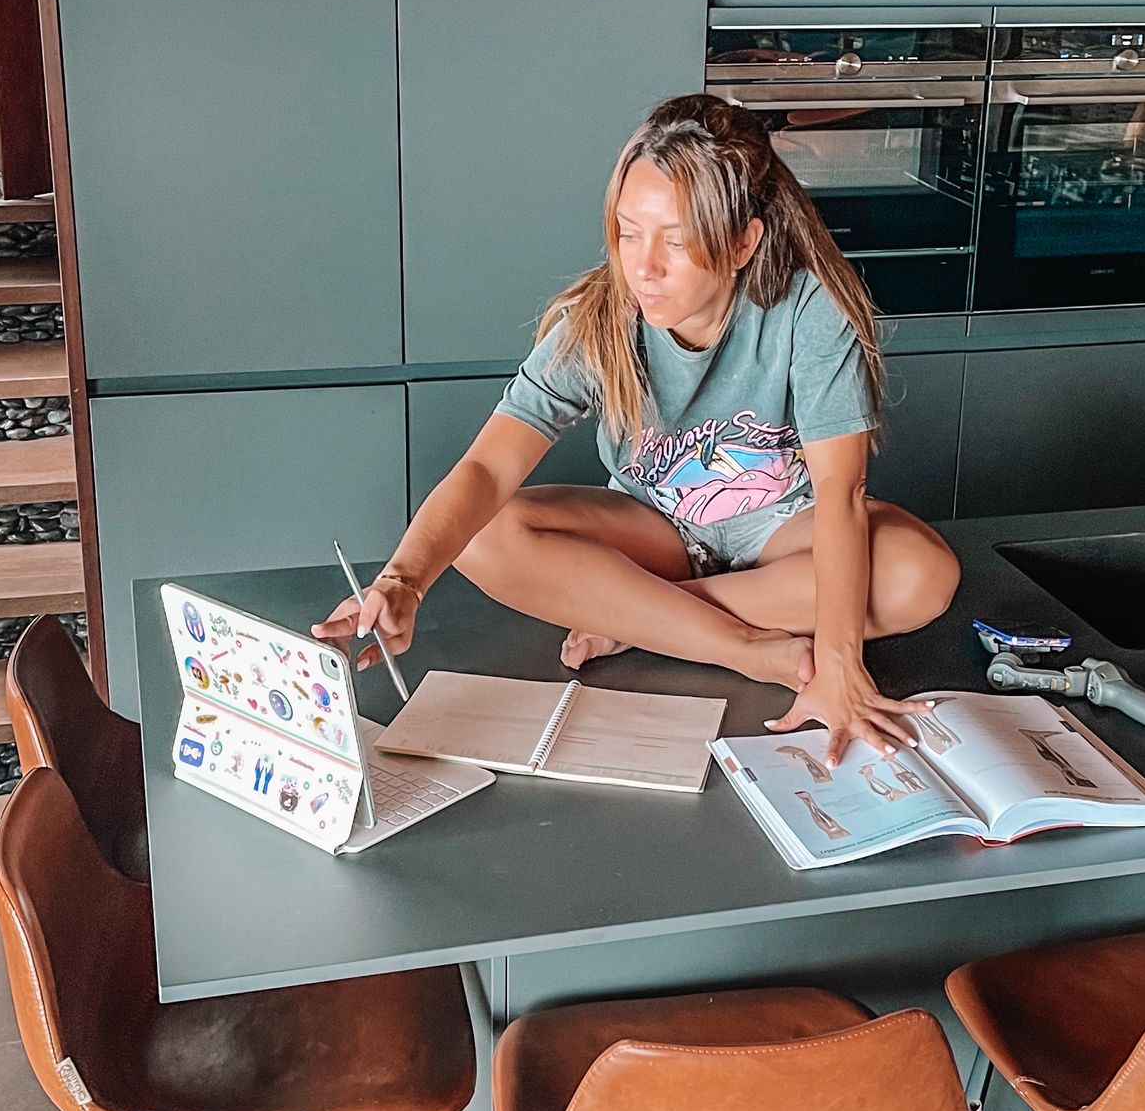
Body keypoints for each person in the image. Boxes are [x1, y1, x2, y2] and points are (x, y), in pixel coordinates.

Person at [316, 94, 960, 760]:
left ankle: (637, 614)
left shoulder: (810, 310)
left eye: (675, 241)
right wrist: (402, 581)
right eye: (628, 232)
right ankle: (737, 647)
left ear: (743, 242)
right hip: (653, 528)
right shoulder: (600, 317)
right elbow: (486, 468)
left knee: (923, 575)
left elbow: (841, 496)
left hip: (782, 532)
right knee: (481, 536)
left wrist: (839, 664)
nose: (642, 267)